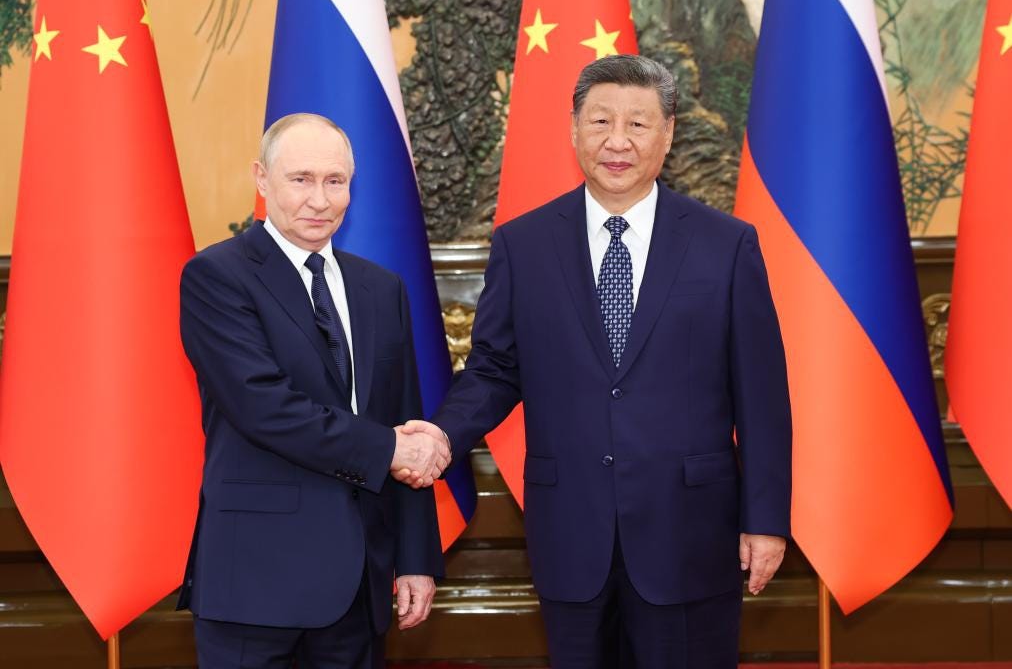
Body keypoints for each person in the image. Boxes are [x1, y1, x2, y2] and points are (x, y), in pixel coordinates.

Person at [402, 55, 792, 668]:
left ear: (668, 134)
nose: (617, 141)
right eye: (600, 121)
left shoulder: (725, 244)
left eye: (638, 124)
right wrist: (443, 436)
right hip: (570, 530)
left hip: (689, 531)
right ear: (573, 131)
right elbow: (496, 369)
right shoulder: (523, 244)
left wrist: (766, 520)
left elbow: (763, 397)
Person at [177, 113, 449, 669]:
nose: (319, 199)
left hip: (360, 587)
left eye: (335, 181)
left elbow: (405, 416)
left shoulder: (381, 288)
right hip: (255, 583)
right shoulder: (217, 276)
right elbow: (264, 406)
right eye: (300, 179)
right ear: (262, 178)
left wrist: (417, 558)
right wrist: (389, 450)